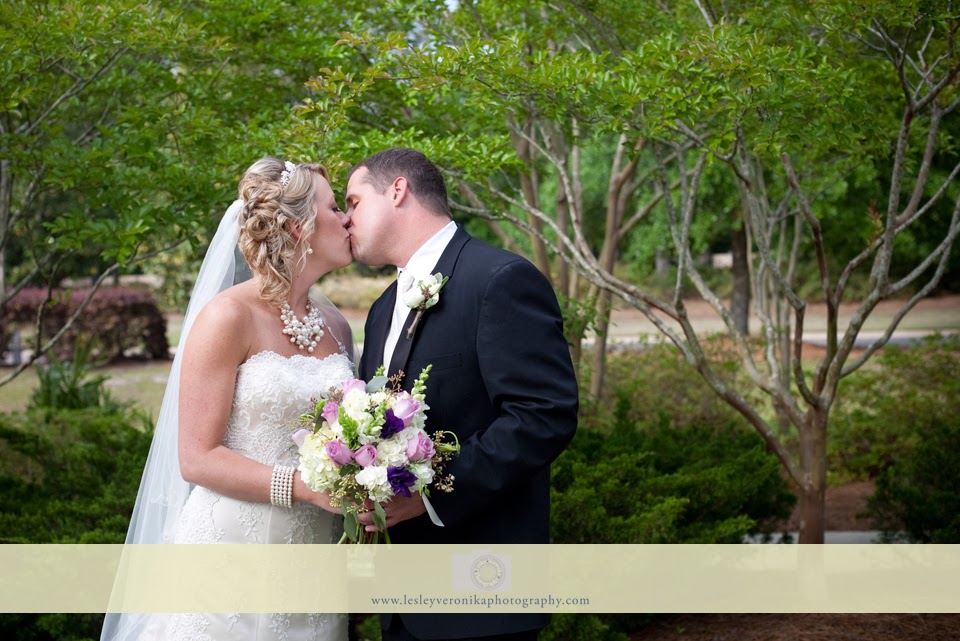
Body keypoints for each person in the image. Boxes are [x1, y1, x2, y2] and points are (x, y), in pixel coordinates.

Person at [100, 157, 354, 641]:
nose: (346, 218)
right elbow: (196, 459)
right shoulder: (227, 317)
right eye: (334, 206)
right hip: (229, 560)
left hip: (314, 564)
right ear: (297, 226)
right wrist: (302, 487)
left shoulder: (337, 327)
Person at [346, 148, 579, 641]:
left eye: (352, 202)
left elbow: (543, 416)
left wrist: (430, 493)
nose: (346, 220)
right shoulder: (383, 308)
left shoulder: (499, 279)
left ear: (397, 190)